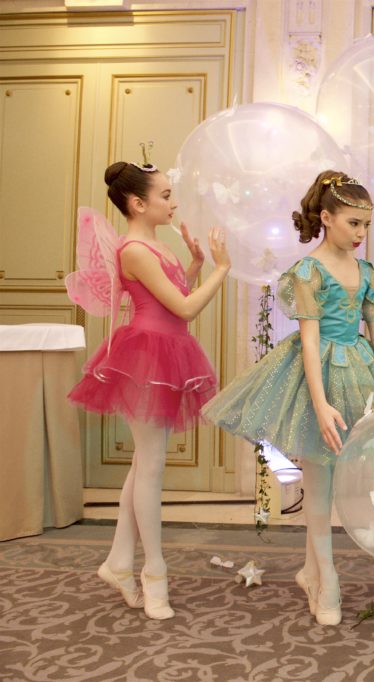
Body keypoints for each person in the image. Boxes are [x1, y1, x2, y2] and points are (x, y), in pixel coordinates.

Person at [202, 171, 374, 625]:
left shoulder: (366, 272)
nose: (361, 233)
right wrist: (319, 401)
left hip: (358, 373)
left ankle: (313, 572)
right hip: (316, 375)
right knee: (318, 477)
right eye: (353, 223)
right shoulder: (309, 271)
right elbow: (310, 341)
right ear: (327, 218)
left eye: (366, 224)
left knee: (340, 476)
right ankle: (325, 577)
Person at [68, 156, 230, 620]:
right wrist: (221, 269)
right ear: (138, 204)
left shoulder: (157, 246)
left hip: (166, 352)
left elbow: (173, 298)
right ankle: (153, 573)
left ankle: (119, 563)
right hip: (145, 357)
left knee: (144, 464)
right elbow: (184, 308)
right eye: (165, 195)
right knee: (151, 467)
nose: (172, 202)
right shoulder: (134, 250)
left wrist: (195, 264)